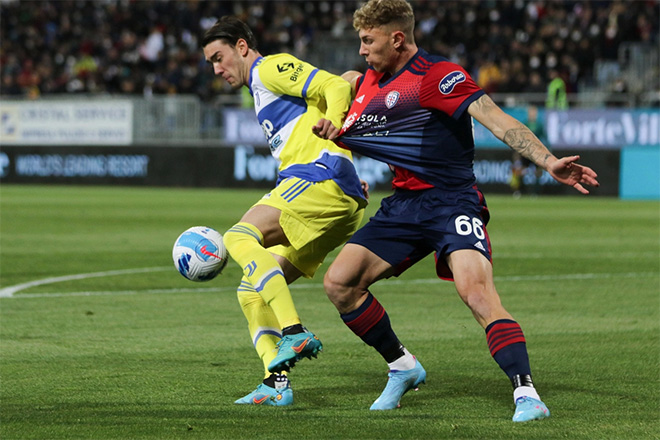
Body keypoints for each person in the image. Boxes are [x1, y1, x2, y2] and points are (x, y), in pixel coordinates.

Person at [313, 0, 599, 421]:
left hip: (451, 200)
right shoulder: (367, 79)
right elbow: (344, 84)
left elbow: (496, 119)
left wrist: (547, 160)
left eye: (368, 40)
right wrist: (333, 113)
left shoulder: (437, 76)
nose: (361, 50)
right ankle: (402, 366)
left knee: (477, 294)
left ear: (397, 38)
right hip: (404, 204)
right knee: (339, 284)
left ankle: (527, 394)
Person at [202, 16, 367, 406]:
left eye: (219, 57)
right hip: (332, 193)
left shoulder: (269, 68)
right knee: (251, 292)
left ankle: (293, 330)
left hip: (318, 181)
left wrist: (337, 125)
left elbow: (335, 84)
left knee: (238, 236)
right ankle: (276, 385)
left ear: (242, 46)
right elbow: (346, 82)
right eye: (210, 62)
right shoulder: (262, 92)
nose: (216, 69)